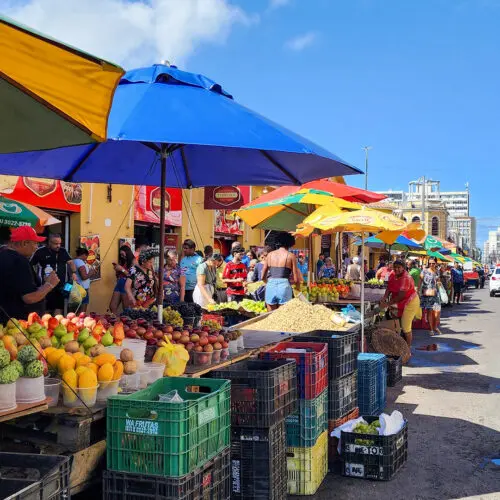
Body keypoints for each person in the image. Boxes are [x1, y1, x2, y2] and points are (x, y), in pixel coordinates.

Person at [0, 227, 60, 324]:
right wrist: (50, 284)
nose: (37, 247)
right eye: (35, 243)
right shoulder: (20, 261)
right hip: (16, 324)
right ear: (24, 243)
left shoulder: (2, 255)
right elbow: (29, 298)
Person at [30, 233, 77, 315]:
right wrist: (36, 278)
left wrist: (73, 273)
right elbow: (30, 265)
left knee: (59, 307)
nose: (58, 246)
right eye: (56, 243)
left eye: (59, 243)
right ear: (49, 243)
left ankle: (57, 324)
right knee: (46, 308)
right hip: (46, 285)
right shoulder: (40, 251)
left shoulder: (63, 251)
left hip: (61, 284)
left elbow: (70, 262)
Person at [380, 259, 420, 350]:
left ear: (403, 268)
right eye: (395, 267)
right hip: (399, 301)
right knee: (396, 322)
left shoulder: (406, 278)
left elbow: (401, 295)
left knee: (406, 326)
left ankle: (407, 349)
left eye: (399, 267)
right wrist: (384, 298)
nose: (396, 269)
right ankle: (397, 344)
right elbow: (389, 288)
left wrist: (387, 303)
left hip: (410, 302)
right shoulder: (392, 274)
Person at [261, 233, 302, 311]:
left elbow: (263, 276)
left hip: (270, 285)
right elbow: (296, 279)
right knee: (282, 318)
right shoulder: (291, 256)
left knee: (270, 317)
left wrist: (267, 282)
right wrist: (298, 288)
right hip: (284, 286)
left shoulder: (269, 255)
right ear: (290, 243)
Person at [109, 245, 136, 313]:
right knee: (112, 306)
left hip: (126, 285)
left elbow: (132, 276)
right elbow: (121, 273)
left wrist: (122, 269)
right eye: (120, 254)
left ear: (127, 252)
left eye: (122, 254)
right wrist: (117, 270)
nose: (122, 256)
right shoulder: (123, 261)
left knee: (126, 308)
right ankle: (116, 322)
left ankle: (126, 322)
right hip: (119, 284)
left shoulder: (134, 261)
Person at [419, 258, 441, 335]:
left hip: (435, 293)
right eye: (430, 263)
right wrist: (418, 291)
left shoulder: (437, 271)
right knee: (429, 312)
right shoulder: (424, 271)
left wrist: (439, 283)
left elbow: (438, 281)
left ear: (436, 263)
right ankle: (431, 329)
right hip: (427, 294)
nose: (431, 264)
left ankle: (435, 326)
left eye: (433, 263)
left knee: (437, 312)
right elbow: (420, 281)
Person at [73, 247, 96, 312]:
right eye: (87, 256)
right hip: (82, 289)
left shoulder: (73, 261)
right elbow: (84, 277)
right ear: (83, 255)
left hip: (75, 288)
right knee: (82, 310)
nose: (86, 258)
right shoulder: (80, 263)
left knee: (75, 310)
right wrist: (91, 273)